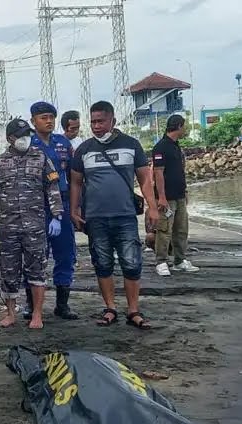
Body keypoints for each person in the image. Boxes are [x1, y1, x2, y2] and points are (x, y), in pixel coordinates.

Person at [68, 100, 159, 330]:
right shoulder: (84, 150)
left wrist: (153, 206)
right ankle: (110, 308)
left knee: (131, 262)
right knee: (102, 263)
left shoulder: (131, 145)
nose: (96, 126)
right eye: (93, 122)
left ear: (113, 121)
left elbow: (145, 179)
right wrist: (74, 210)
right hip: (96, 218)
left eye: (101, 121)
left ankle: (133, 310)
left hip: (126, 216)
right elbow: (76, 183)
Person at [0, 118, 64, 329]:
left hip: (35, 226)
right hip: (9, 227)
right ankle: (10, 313)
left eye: (27, 135)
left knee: (37, 269)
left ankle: (37, 314)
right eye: (20, 136)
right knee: (9, 271)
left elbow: (52, 188)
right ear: (10, 138)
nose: (25, 140)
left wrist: (57, 216)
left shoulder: (41, 158)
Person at [28, 101, 79, 320]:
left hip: (63, 205)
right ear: (33, 121)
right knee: (35, 255)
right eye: (43, 118)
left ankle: (62, 304)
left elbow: (75, 176)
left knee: (65, 253)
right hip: (37, 207)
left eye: (51, 117)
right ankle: (32, 306)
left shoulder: (63, 143)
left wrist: (76, 208)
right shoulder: (28, 144)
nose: (48, 121)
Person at [151, 114, 199, 276]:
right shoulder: (160, 147)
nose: (185, 129)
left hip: (179, 195)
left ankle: (179, 260)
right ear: (178, 126)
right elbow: (158, 173)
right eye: (184, 126)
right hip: (167, 197)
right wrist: (162, 197)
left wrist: (185, 191)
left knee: (181, 229)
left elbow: (180, 172)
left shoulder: (176, 146)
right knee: (164, 230)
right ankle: (161, 261)